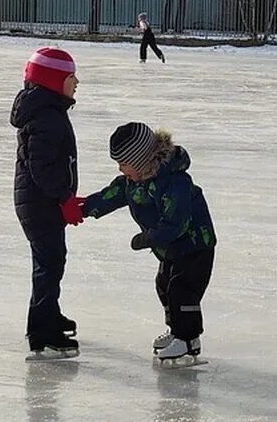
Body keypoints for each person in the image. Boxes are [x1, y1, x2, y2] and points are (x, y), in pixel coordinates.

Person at [81, 122, 215, 362]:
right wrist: (84, 208)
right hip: (172, 249)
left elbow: (176, 223)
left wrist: (147, 238)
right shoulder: (135, 182)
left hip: (195, 245)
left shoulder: (174, 182)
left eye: (124, 163)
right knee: (164, 284)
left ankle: (187, 338)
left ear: (141, 159)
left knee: (182, 290)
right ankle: (178, 332)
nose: (121, 170)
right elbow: (111, 196)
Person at [11, 47, 84, 359]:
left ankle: (47, 316)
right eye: (71, 77)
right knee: (49, 264)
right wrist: (63, 197)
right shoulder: (48, 117)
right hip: (40, 204)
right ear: (55, 82)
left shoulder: (47, 111)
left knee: (52, 261)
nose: (77, 82)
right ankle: (43, 331)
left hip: (39, 202)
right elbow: (41, 167)